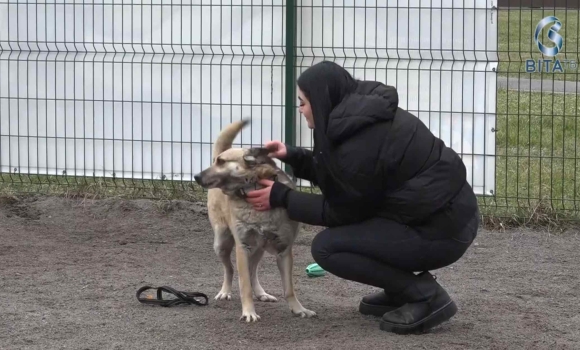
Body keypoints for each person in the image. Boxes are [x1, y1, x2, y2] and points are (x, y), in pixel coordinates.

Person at [244, 61, 480, 334]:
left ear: (321, 101)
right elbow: (347, 180)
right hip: (445, 217)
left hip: (442, 231)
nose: (300, 109)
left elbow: (343, 211)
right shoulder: (358, 117)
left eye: (303, 102)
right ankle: (399, 290)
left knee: (328, 247)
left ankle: (426, 296)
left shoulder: (358, 141)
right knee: (354, 234)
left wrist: (282, 197)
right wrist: (293, 155)